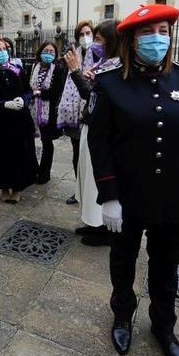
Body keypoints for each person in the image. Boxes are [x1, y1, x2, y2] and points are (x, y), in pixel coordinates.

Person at [89, 4, 179, 356]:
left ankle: (163, 327)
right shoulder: (110, 82)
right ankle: (122, 317)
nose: (157, 39)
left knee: (166, 266)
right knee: (123, 261)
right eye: (147, 33)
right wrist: (108, 194)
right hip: (127, 195)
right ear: (130, 39)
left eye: (163, 31)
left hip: (174, 193)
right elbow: (100, 142)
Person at [70, 20, 121, 247]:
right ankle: (92, 222)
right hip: (90, 126)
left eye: (99, 39)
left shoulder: (116, 67)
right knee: (86, 178)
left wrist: (76, 72)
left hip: (102, 132)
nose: (95, 44)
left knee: (96, 179)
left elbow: (92, 96)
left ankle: (104, 229)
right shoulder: (103, 63)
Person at [0, 37, 38, 203]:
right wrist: (5, 104)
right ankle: (4, 187)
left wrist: (24, 100)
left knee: (20, 152)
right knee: (1, 154)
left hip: (20, 119)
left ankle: (18, 187)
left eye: (5, 48)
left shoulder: (17, 69)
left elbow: (28, 91)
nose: (3, 52)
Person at [57, 20, 96, 204]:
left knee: (90, 156)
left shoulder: (97, 55)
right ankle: (78, 190)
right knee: (76, 155)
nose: (85, 37)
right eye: (81, 34)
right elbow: (66, 81)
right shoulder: (74, 55)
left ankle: (92, 193)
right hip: (72, 113)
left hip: (88, 112)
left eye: (88, 33)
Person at [30, 41, 67, 184]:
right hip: (32, 109)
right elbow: (28, 86)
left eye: (52, 52)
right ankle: (33, 169)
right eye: (46, 51)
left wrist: (39, 93)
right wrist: (33, 94)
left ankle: (44, 173)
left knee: (46, 142)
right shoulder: (34, 66)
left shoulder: (57, 69)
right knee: (30, 141)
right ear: (40, 52)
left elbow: (56, 92)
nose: (49, 54)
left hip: (49, 111)